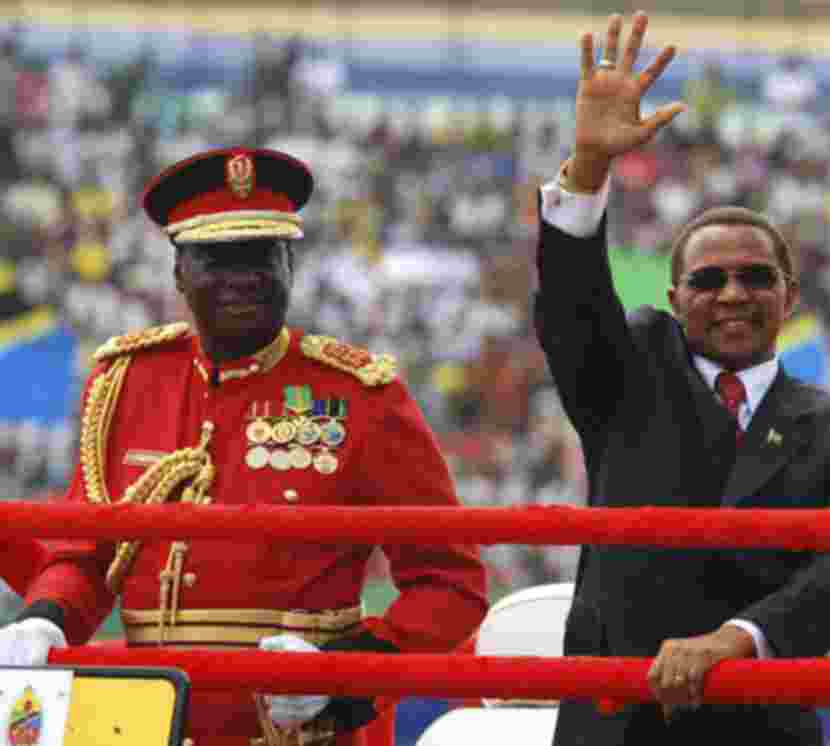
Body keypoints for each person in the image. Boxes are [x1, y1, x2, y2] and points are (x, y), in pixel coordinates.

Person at [0, 147, 489, 746]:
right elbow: (86, 554)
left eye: (262, 256)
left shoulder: (362, 396)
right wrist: (45, 619)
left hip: (306, 733)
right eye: (217, 258)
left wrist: (343, 674)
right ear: (179, 271)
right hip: (148, 723)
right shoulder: (125, 382)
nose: (244, 279)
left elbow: (452, 587)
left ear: (291, 264)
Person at [534, 13, 830, 746]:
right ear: (676, 302)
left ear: (789, 297)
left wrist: (736, 640)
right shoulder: (630, 371)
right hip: (614, 719)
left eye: (754, 277)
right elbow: (573, 306)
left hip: (759, 721)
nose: (732, 294)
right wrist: (588, 166)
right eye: (708, 279)